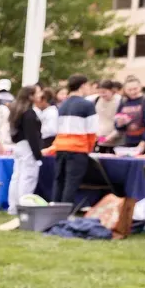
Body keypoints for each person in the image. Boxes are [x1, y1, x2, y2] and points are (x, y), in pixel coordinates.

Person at [50, 74, 98, 206]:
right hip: (77, 148)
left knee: (59, 180)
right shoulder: (87, 105)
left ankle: (54, 208)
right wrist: (88, 149)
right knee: (71, 182)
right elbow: (92, 131)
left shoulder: (62, 105)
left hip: (61, 146)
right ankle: (65, 211)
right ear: (82, 86)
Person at [6, 85, 43, 213]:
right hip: (27, 146)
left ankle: (14, 206)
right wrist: (37, 154)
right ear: (30, 96)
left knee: (17, 176)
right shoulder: (29, 113)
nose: (40, 95)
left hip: (19, 146)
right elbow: (32, 136)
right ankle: (24, 205)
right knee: (28, 177)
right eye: (37, 93)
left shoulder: (18, 111)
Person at [93, 79, 121, 150]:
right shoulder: (97, 100)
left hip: (117, 139)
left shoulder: (120, 101)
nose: (102, 94)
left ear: (112, 90)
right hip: (101, 138)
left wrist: (111, 136)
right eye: (99, 92)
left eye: (104, 92)